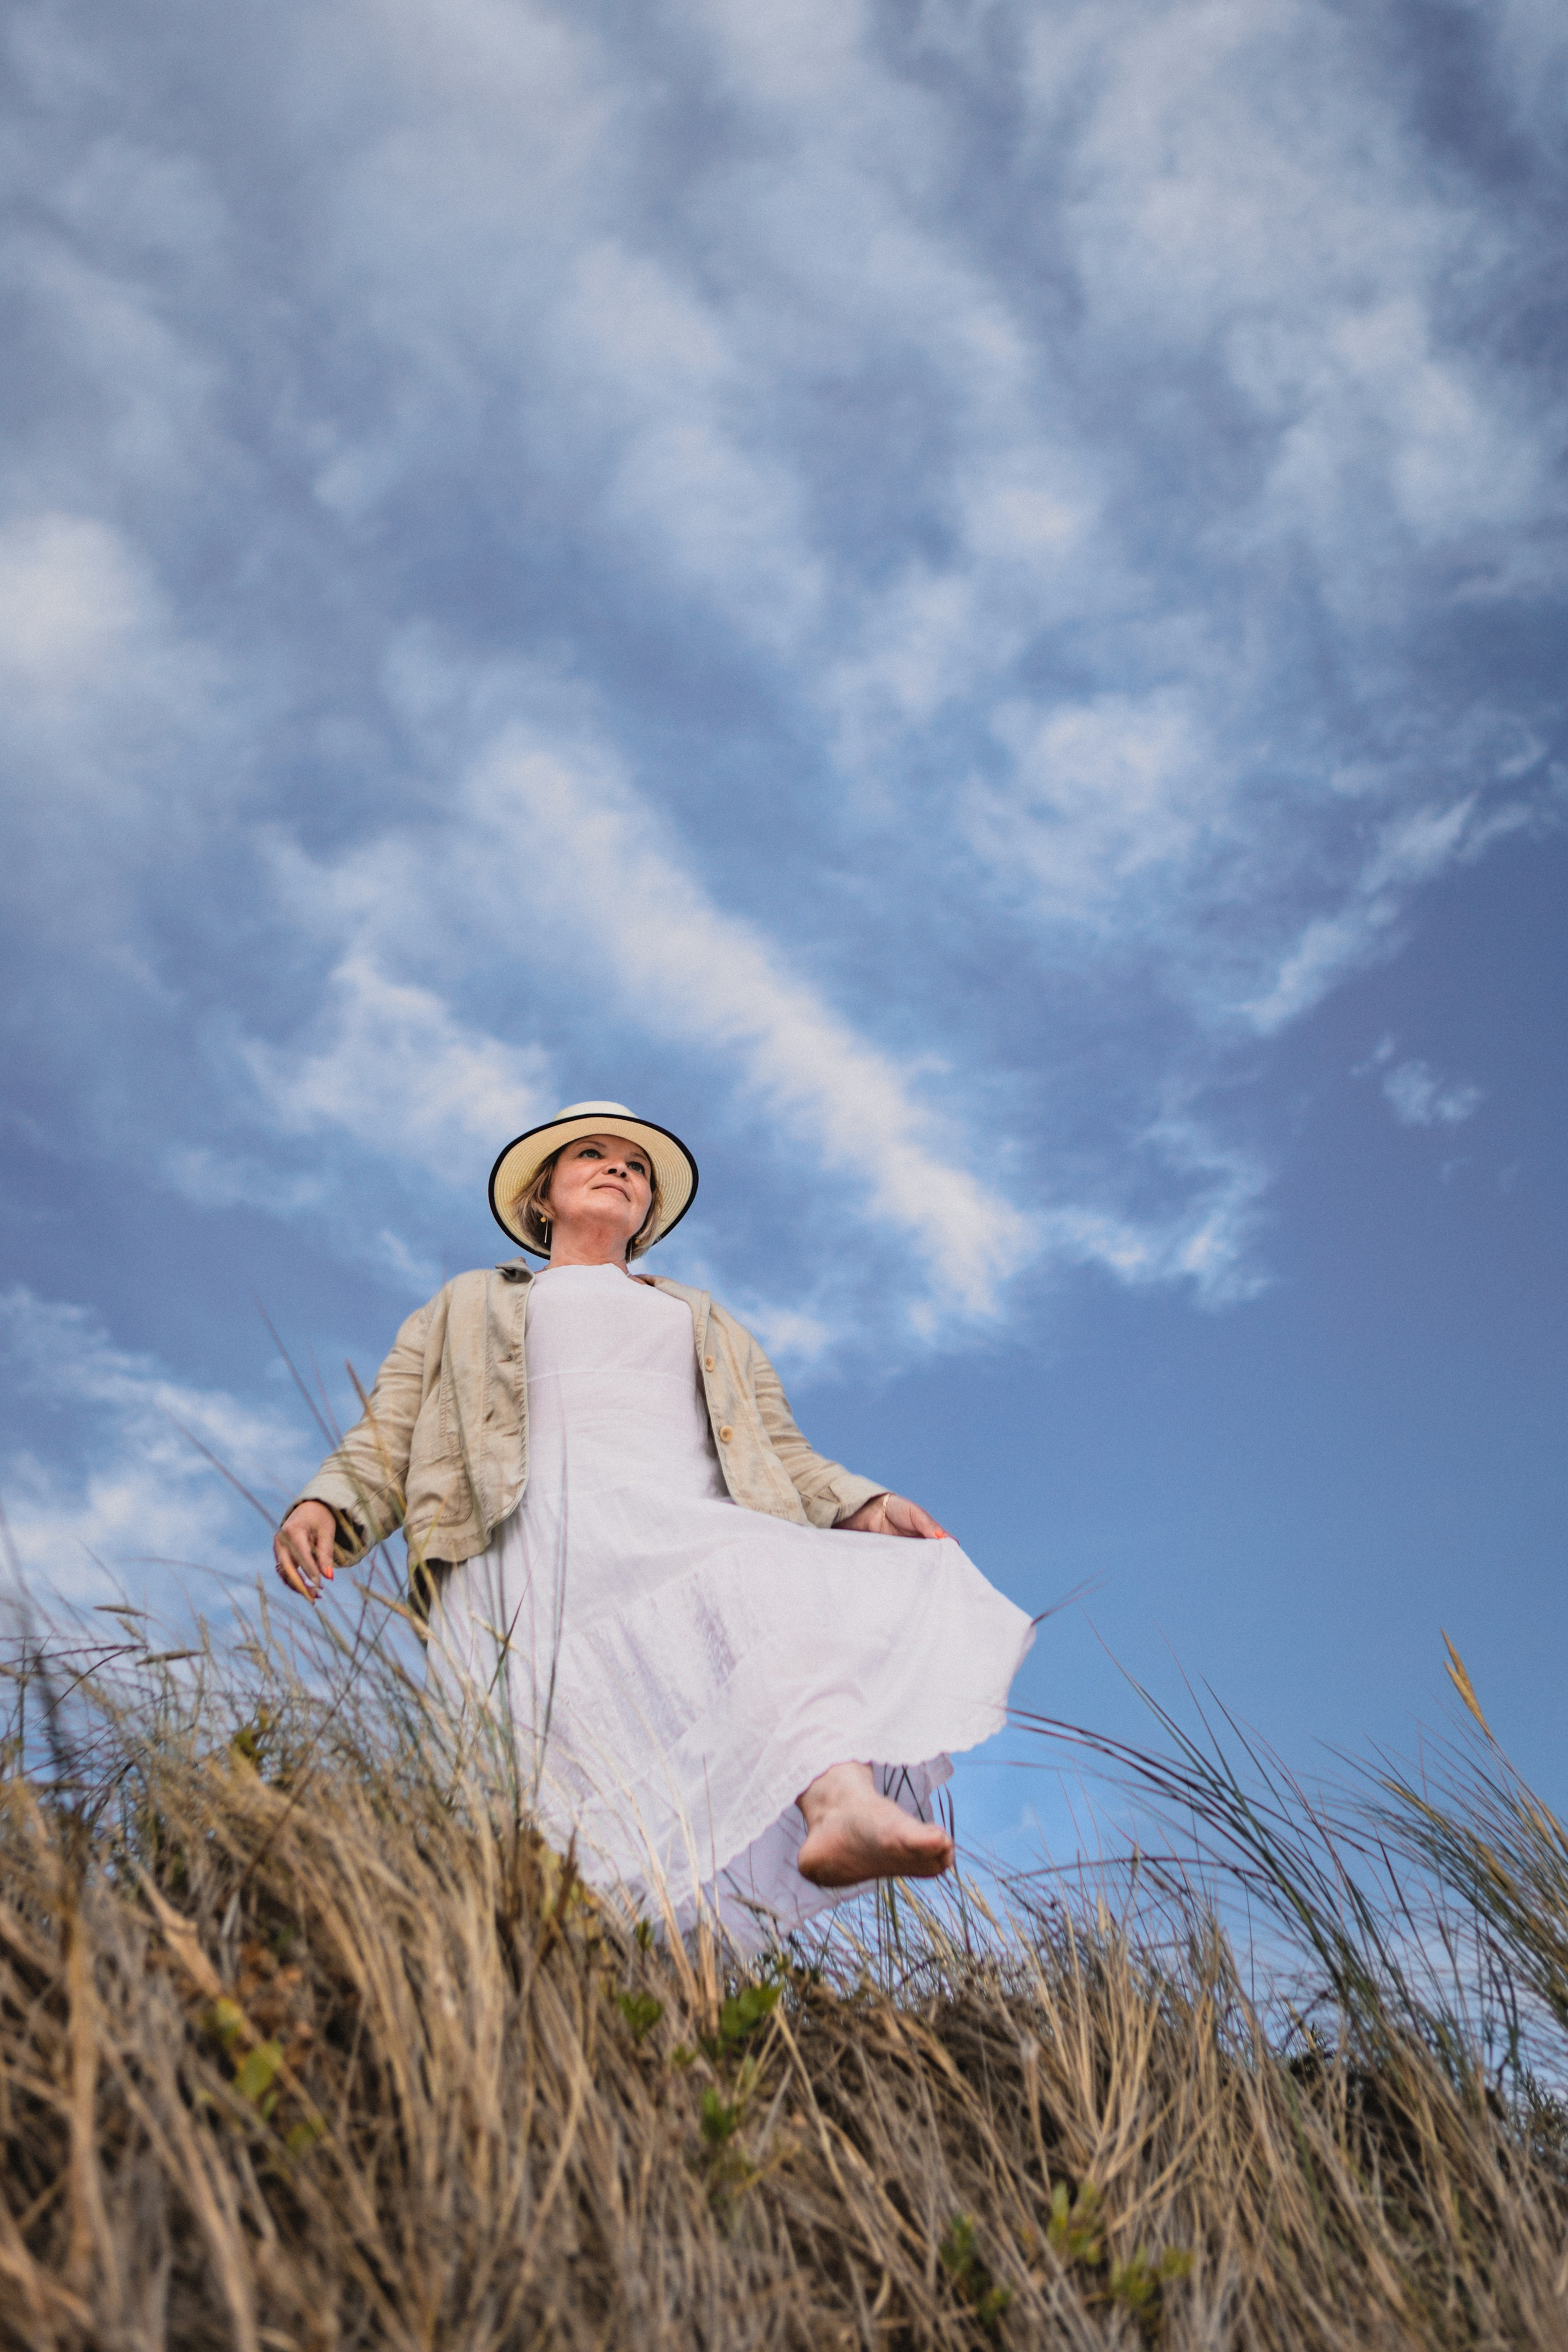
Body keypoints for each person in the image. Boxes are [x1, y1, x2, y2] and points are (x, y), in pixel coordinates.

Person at [274, 1100, 1033, 1946]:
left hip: (681, 1524)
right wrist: (329, 1504)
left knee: (757, 1586)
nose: (619, 1170)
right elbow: (392, 1427)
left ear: (648, 1209)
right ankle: (559, 1974)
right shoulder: (466, 1305)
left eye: (636, 1167)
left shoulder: (701, 1319)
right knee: (546, 1789)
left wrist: (867, 1504)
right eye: (592, 1155)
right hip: (523, 1545)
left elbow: (782, 1451)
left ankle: (842, 1808)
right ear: (542, 1196)